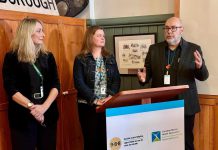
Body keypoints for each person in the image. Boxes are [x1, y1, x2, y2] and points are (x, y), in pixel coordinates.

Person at [137, 17, 209, 150]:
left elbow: (203, 77)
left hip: (185, 104)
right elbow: (147, 75)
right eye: (167, 28)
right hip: (161, 105)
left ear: (181, 29)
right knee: (160, 141)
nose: (169, 31)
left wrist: (200, 67)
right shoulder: (154, 49)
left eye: (173, 28)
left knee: (186, 142)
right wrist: (143, 79)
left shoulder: (193, 49)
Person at [2, 18, 60, 150]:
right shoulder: (11, 57)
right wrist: (32, 107)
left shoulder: (48, 56)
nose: (43, 34)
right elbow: (11, 88)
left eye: (42, 31)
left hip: (47, 115)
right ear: (27, 33)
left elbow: (56, 85)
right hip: (22, 118)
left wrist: (44, 108)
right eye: (39, 31)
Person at [73, 26, 121, 150]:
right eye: (99, 35)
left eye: (103, 35)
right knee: (91, 141)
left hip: (107, 104)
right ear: (90, 37)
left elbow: (116, 80)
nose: (102, 38)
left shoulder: (110, 58)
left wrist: (109, 97)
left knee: (105, 141)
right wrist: (95, 99)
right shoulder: (80, 59)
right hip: (88, 106)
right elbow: (79, 83)